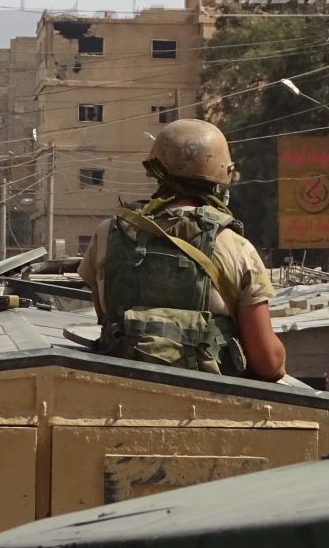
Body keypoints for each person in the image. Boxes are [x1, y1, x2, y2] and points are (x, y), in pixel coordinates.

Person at [78, 118, 286, 380]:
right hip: (206, 404)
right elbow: (268, 363)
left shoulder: (108, 233)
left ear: (157, 170)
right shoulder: (236, 246)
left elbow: (104, 316)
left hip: (116, 392)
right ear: (222, 176)